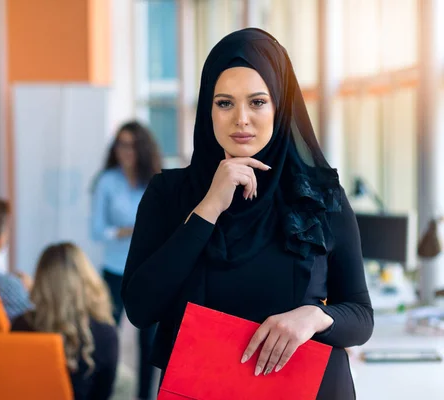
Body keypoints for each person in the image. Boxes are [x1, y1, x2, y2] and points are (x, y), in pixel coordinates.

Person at [120, 28, 374, 400]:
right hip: (202, 389)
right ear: (208, 109)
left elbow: (361, 315)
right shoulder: (169, 195)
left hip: (308, 390)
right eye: (225, 103)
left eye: (257, 102)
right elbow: (140, 308)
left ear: (279, 107)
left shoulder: (320, 197)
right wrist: (209, 207)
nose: (241, 118)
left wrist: (315, 317)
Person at [91, 120, 162, 400]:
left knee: (149, 342)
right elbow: (97, 230)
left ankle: (145, 396)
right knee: (106, 337)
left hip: (148, 271)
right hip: (113, 271)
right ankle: (103, 393)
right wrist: (127, 230)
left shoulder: (156, 180)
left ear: (142, 148)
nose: (125, 150)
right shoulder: (106, 181)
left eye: (131, 144)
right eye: (120, 143)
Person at [11, 243, 119, 400]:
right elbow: (103, 393)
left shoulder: (21, 324)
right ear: (86, 280)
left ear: (41, 280)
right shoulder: (105, 333)